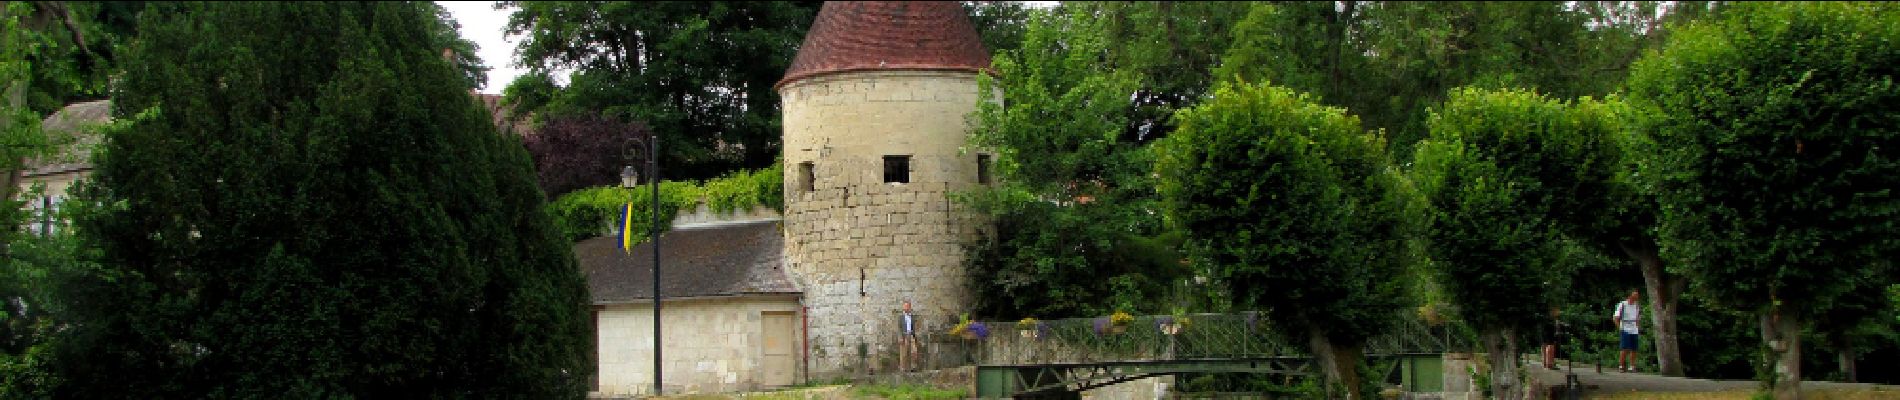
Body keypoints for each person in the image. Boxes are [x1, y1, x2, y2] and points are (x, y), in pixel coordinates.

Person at [1611, 290, 1641, 372]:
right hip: (1625, 327)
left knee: (1634, 348)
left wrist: (1637, 327)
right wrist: (1620, 327)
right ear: (1630, 296)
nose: (1636, 297)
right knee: (1624, 348)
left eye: (1637, 295)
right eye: (1634, 295)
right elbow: (1615, 317)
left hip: (1634, 328)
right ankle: (1621, 365)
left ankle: (1632, 366)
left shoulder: (1637, 305)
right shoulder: (1623, 304)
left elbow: (1638, 317)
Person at [899, 301, 919, 372]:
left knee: (914, 351)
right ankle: (903, 368)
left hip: (911, 335)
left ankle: (913, 367)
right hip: (904, 335)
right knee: (904, 353)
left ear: (910, 307)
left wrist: (914, 336)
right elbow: (899, 328)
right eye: (904, 306)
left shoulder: (912, 317)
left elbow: (914, 327)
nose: (905, 308)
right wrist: (900, 337)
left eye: (907, 306)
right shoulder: (901, 317)